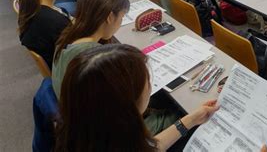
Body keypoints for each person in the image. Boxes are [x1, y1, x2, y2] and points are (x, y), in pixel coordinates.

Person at [54, 44, 221, 151]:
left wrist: (190, 120)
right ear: (126, 103)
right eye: (146, 81)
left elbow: (150, 147)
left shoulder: (86, 130)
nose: (150, 86)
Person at [52, 0, 130, 98]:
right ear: (109, 17)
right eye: (122, 17)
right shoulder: (95, 58)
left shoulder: (68, 35)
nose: (121, 22)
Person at [18, 0, 80, 69]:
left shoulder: (30, 3)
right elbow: (77, 51)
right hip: (66, 71)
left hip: (54, 60)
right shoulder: (55, 21)